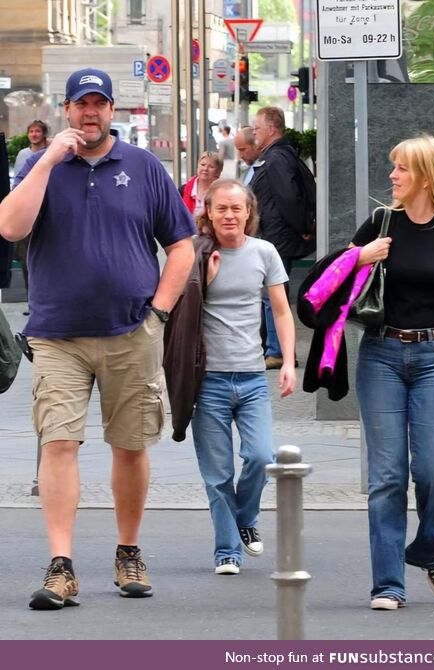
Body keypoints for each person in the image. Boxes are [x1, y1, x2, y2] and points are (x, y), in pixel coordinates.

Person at [0, 67, 196, 610]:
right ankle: (61, 566)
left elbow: (181, 245)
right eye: (81, 104)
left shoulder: (143, 166)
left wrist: (158, 313)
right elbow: (10, 228)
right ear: (66, 110)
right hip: (57, 333)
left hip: (131, 331)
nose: (91, 113)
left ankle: (128, 550)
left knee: (130, 445)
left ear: (113, 110)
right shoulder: (40, 165)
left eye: (100, 104)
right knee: (59, 442)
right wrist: (47, 162)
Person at [351, 134, 434, 610]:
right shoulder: (381, 223)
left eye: (402, 168)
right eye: (393, 168)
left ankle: (431, 548)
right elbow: (334, 278)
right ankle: (387, 583)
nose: (393, 176)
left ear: (426, 175)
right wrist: (360, 256)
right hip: (381, 356)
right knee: (386, 476)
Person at [192, 179, 296, 574]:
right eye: (222, 209)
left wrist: (287, 361)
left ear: (249, 212)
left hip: (252, 378)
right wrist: (208, 280)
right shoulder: (196, 251)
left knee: (261, 456)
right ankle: (227, 551)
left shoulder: (264, 252)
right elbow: (180, 313)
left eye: (237, 208)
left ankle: (245, 519)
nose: (230, 215)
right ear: (209, 212)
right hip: (209, 380)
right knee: (218, 474)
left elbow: (282, 311)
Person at [250, 106, 314, 369]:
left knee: (272, 295)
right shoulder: (278, 155)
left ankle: (276, 351)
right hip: (276, 235)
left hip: (277, 237)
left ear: (272, 129)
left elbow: (288, 197)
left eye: (257, 128)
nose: (254, 132)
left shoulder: (276, 158)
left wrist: (301, 226)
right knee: (272, 294)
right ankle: (274, 349)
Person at [13, 120, 49, 314]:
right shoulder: (23, 155)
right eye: (31, 131)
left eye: (38, 131)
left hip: (48, 213)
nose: (34, 134)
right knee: (28, 261)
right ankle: (32, 302)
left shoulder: (53, 152)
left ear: (44, 134)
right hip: (29, 214)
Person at [180, 151, 223, 216]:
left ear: (218, 172)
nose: (205, 169)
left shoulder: (222, 192)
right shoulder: (182, 190)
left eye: (211, 167)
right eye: (202, 165)